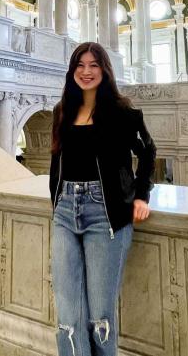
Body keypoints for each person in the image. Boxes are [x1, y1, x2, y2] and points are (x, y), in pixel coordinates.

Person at [49, 42, 156, 356]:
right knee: (68, 319)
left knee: (100, 318)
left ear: (105, 70)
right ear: (72, 71)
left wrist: (141, 195)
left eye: (94, 65)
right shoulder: (62, 111)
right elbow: (57, 161)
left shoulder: (123, 113)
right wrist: (56, 201)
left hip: (106, 217)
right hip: (65, 213)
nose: (86, 71)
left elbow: (148, 151)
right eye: (80, 65)